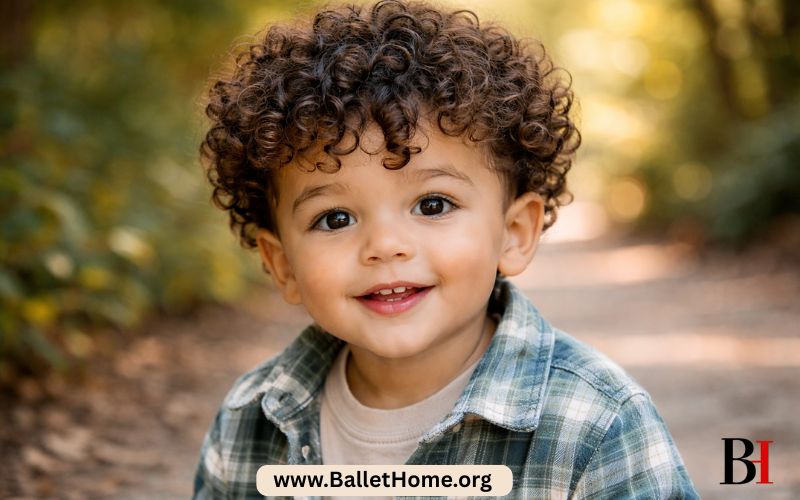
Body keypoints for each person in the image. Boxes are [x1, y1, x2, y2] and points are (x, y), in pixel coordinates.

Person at [193, 0, 698, 497]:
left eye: (432, 205)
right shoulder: (251, 422)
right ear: (282, 265)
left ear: (515, 233)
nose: (385, 246)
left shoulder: (594, 423)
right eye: (335, 218)